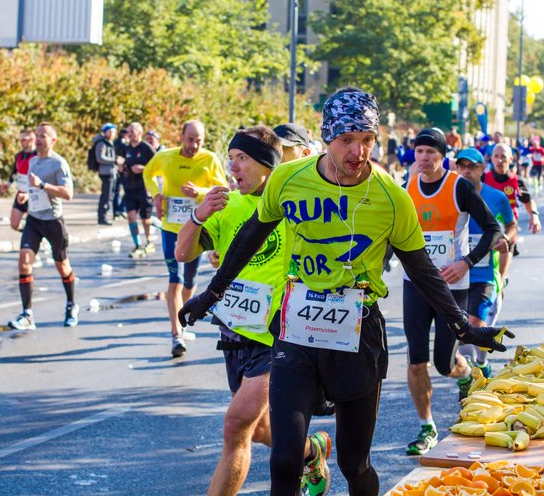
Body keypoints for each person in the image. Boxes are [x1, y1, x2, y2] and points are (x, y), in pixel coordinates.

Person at [177, 87, 511, 496]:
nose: (358, 151)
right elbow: (250, 236)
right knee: (283, 460)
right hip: (296, 330)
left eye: (367, 140)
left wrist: (461, 325)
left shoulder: (391, 197)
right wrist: (212, 294)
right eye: (347, 140)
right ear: (326, 139)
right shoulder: (288, 178)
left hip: (358, 334)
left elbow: (420, 267)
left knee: (355, 463)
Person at [174, 125, 331, 496]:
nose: (233, 167)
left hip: (275, 339)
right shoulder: (227, 205)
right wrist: (198, 216)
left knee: (235, 426)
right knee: (259, 430)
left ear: (266, 164)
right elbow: (183, 254)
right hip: (233, 335)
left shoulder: (290, 205)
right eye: (230, 159)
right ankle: (313, 449)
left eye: (242, 158)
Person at [401, 130, 502, 456]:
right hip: (414, 283)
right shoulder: (406, 187)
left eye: (431, 152)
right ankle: (426, 427)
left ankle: (468, 372)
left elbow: (492, 228)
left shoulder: (458, 186)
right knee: (416, 361)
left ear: (443, 155)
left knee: (443, 363)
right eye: (419, 152)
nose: (424, 158)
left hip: (452, 286)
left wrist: (466, 262)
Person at [143, 120, 228, 357]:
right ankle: (176, 334)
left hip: (196, 230)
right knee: (175, 279)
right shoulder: (165, 157)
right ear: (181, 137)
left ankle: (183, 318)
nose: (195, 145)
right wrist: (156, 195)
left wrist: (199, 193)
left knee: (189, 283)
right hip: (171, 228)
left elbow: (223, 189)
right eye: (191, 139)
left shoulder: (209, 159)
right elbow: (149, 173)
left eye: (199, 140)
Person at [8, 123, 79, 330]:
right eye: (37, 136)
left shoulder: (59, 164)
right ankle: (27, 315)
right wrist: (25, 194)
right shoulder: (32, 161)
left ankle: (71, 304)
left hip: (54, 221)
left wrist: (42, 185)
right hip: (34, 219)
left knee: (62, 266)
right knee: (24, 262)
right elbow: (32, 188)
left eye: (43, 136)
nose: (38, 139)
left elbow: (68, 194)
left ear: (53, 140)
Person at [454, 149, 516, 378]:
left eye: (472, 167)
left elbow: (511, 224)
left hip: (483, 274)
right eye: (462, 166)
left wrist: (506, 239)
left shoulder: (497, 197)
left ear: (482, 169)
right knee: (460, 330)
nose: (467, 171)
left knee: (475, 322)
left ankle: (481, 362)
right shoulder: (449, 196)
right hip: (455, 275)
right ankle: (471, 371)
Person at [484, 143, 541, 283]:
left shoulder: (517, 181)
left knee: (499, 278)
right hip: (486, 228)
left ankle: (501, 283)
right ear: (491, 159)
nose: (499, 160)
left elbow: (528, 201)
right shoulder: (484, 179)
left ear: (510, 159)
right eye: (496, 156)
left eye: (503, 157)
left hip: (508, 229)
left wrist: (534, 216)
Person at [120, 122, 156, 257]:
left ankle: (149, 242)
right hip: (129, 188)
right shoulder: (126, 148)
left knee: (145, 219)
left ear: (140, 133)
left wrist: (143, 169)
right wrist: (122, 167)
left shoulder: (147, 148)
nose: (129, 133)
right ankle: (137, 244)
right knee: (130, 217)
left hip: (144, 188)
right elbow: (124, 163)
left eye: (132, 131)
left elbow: (157, 166)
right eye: (128, 131)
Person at [0, 129, 37, 232]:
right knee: (14, 224)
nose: (21, 142)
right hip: (20, 194)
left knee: (33, 225)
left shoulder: (37, 156)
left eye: (24, 140)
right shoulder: (19, 155)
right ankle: (29, 236)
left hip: (33, 195)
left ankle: (33, 240)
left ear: (32, 139)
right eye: (20, 140)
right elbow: (14, 172)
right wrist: (8, 184)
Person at [93, 123, 118, 225]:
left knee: (110, 195)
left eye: (113, 131)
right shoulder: (101, 143)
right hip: (106, 172)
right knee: (106, 196)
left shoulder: (110, 143)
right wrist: (115, 160)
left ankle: (105, 215)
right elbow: (100, 158)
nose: (112, 133)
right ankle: (102, 217)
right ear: (105, 132)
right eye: (110, 131)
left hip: (112, 172)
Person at [113, 127, 129, 220]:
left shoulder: (115, 142)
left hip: (117, 169)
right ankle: (120, 210)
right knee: (126, 191)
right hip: (122, 169)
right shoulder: (124, 143)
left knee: (117, 191)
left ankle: (117, 211)